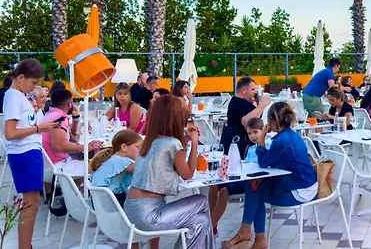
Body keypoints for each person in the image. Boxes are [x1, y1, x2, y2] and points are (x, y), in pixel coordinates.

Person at [222, 102, 317, 249]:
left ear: (272, 120)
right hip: (304, 184)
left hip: (300, 192)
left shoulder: (282, 140)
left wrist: (262, 137)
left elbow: (263, 162)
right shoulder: (291, 135)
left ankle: (249, 233)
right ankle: (255, 237)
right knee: (254, 185)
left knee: (254, 189)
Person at [124, 95, 214, 249]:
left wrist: (184, 142)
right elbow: (187, 175)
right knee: (201, 200)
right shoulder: (172, 144)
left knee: (201, 221)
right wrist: (194, 142)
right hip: (150, 214)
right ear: (175, 119)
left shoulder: (147, 142)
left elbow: (173, 161)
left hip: (131, 210)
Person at [3, 59, 61, 249]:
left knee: (32, 201)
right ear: (21, 78)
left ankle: (26, 244)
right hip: (24, 152)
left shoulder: (18, 96)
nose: (34, 87)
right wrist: (38, 128)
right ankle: (24, 245)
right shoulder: (14, 97)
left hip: (28, 151)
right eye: (34, 83)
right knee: (30, 203)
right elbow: (10, 133)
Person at [209, 117, 271, 235]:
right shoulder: (251, 148)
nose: (252, 136)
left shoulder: (268, 145)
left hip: (256, 181)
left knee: (224, 191)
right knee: (214, 185)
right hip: (244, 177)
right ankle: (211, 223)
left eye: (255, 132)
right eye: (249, 133)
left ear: (263, 130)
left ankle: (210, 228)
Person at [41, 89, 103, 177]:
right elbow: (58, 146)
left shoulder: (48, 115)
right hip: (58, 167)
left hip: (47, 165)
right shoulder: (60, 118)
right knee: (99, 167)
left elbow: (74, 138)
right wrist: (86, 147)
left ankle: (79, 185)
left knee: (88, 162)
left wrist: (75, 118)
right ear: (69, 104)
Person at [221, 76, 271, 158]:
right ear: (244, 90)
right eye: (252, 89)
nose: (255, 92)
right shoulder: (238, 104)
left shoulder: (237, 102)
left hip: (239, 144)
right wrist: (262, 105)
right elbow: (247, 121)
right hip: (242, 147)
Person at [90, 129, 143, 206]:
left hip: (98, 202)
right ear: (124, 147)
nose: (141, 151)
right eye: (137, 147)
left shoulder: (111, 159)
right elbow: (143, 170)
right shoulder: (121, 161)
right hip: (109, 203)